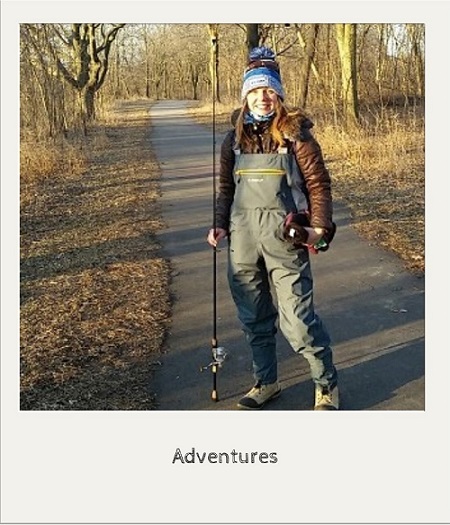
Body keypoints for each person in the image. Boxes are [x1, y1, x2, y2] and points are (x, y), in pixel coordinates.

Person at [207, 46, 339, 410]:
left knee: (297, 320)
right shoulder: (233, 139)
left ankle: (326, 385)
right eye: (254, 90)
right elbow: (225, 189)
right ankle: (266, 382)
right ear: (245, 94)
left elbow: (318, 186)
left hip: (285, 239)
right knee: (254, 317)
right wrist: (219, 225)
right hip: (243, 239)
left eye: (268, 90)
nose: (262, 97)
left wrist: (319, 229)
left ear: (278, 93)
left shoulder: (297, 135)